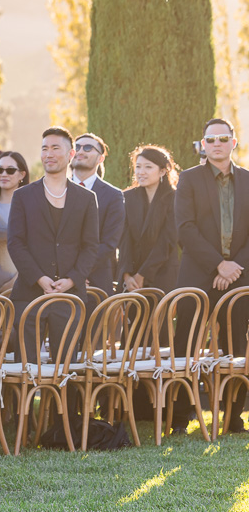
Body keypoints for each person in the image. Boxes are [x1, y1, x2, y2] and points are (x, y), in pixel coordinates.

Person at [173, 118, 249, 433]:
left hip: (240, 277)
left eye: (222, 138)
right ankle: (177, 419)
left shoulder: (248, 180)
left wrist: (233, 268)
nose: (216, 144)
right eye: (210, 139)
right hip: (197, 275)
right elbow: (185, 228)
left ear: (233, 142)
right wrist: (218, 264)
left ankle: (232, 418)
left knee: (236, 349)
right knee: (185, 346)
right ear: (203, 145)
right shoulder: (188, 180)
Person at [7, 127, 99, 363]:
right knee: (26, 368)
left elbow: (90, 246)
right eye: (44, 148)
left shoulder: (86, 198)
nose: (49, 153)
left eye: (55, 148)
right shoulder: (23, 196)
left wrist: (71, 280)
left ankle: (64, 403)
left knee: (65, 369)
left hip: (70, 296)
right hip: (29, 295)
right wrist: (39, 278)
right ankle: (25, 402)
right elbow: (15, 243)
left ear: (70, 155)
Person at [117, 145, 179, 294]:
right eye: (138, 167)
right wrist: (126, 275)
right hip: (130, 277)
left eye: (148, 167)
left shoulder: (175, 198)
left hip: (162, 274)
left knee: (159, 317)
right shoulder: (127, 197)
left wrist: (142, 275)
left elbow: (167, 240)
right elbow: (124, 239)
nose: (141, 172)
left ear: (163, 171)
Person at [72, 133, 125, 293]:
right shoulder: (55, 190)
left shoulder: (113, 195)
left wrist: (78, 272)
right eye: (77, 147)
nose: (81, 151)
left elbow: (109, 243)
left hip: (96, 281)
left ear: (100, 158)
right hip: (56, 281)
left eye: (88, 148)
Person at [0, 151, 29, 295]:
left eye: (10, 170)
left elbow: (35, 249)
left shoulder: (31, 207)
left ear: (22, 174)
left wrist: (16, 281)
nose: (4, 174)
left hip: (21, 282)